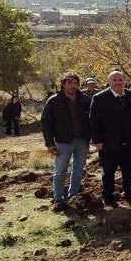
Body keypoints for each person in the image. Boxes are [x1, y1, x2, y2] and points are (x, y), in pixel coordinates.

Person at [40, 72, 92, 210]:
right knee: (60, 170)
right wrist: (49, 143)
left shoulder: (85, 100)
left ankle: (73, 196)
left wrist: (93, 137)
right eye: (70, 83)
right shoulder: (54, 101)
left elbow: (92, 120)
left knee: (78, 169)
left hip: (82, 140)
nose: (73, 86)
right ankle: (58, 198)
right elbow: (46, 122)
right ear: (63, 84)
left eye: (75, 83)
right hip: (63, 141)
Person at [90, 70, 131, 207]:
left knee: (129, 171)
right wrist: (97, 140)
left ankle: (129, 194)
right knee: (108, 172)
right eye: (115, 80)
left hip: (128, 142)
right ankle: (108, 196)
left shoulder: (130, 94)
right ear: (109, 81)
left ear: (124, 81)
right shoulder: (99, 98)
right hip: (109, 143)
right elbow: (94, 121)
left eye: (120, 80)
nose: (118, 83)